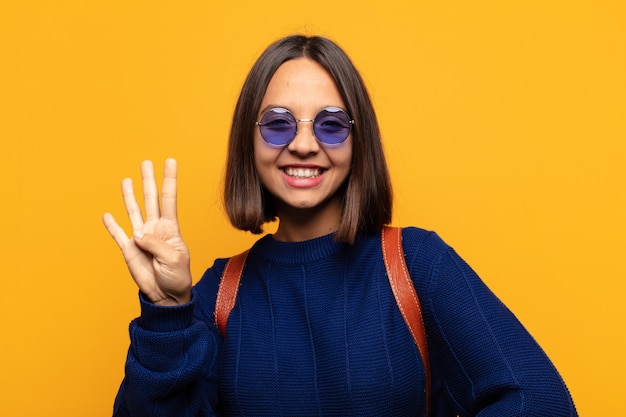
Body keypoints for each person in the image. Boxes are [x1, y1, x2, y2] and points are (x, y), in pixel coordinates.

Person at [103, 35, 577, 416]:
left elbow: (542, 401)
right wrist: (167, 312)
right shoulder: (216, 294)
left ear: (358, 142)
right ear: (249, 140)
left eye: (330, 125)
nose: (304, 145)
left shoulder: (418, 265)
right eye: (278, 124)